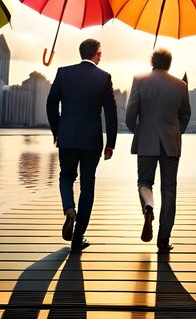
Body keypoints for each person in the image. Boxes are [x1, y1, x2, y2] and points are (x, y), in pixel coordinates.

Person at [46, 38, 117, 252]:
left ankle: (69, 207)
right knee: (88, 185)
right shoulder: (104, 77)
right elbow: (111, 112)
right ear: (97, 53)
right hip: (91, 140)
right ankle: (78, 237)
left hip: (67, 136)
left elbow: (51, 103)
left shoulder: (63, 73)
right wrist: (111, 143)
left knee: (66, 177)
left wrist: (56, 130)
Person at [125, 48, 191, 253]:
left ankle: (148, 207)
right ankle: (163, 239)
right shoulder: (180, 85)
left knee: (144, 182)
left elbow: (130, 113)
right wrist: (175, 132)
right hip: (171, 144)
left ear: (152, 61)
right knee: (169, 190)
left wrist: (140, 131)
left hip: (146, 141)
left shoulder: (139, 79)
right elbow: (185, 115)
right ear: (170, 63)